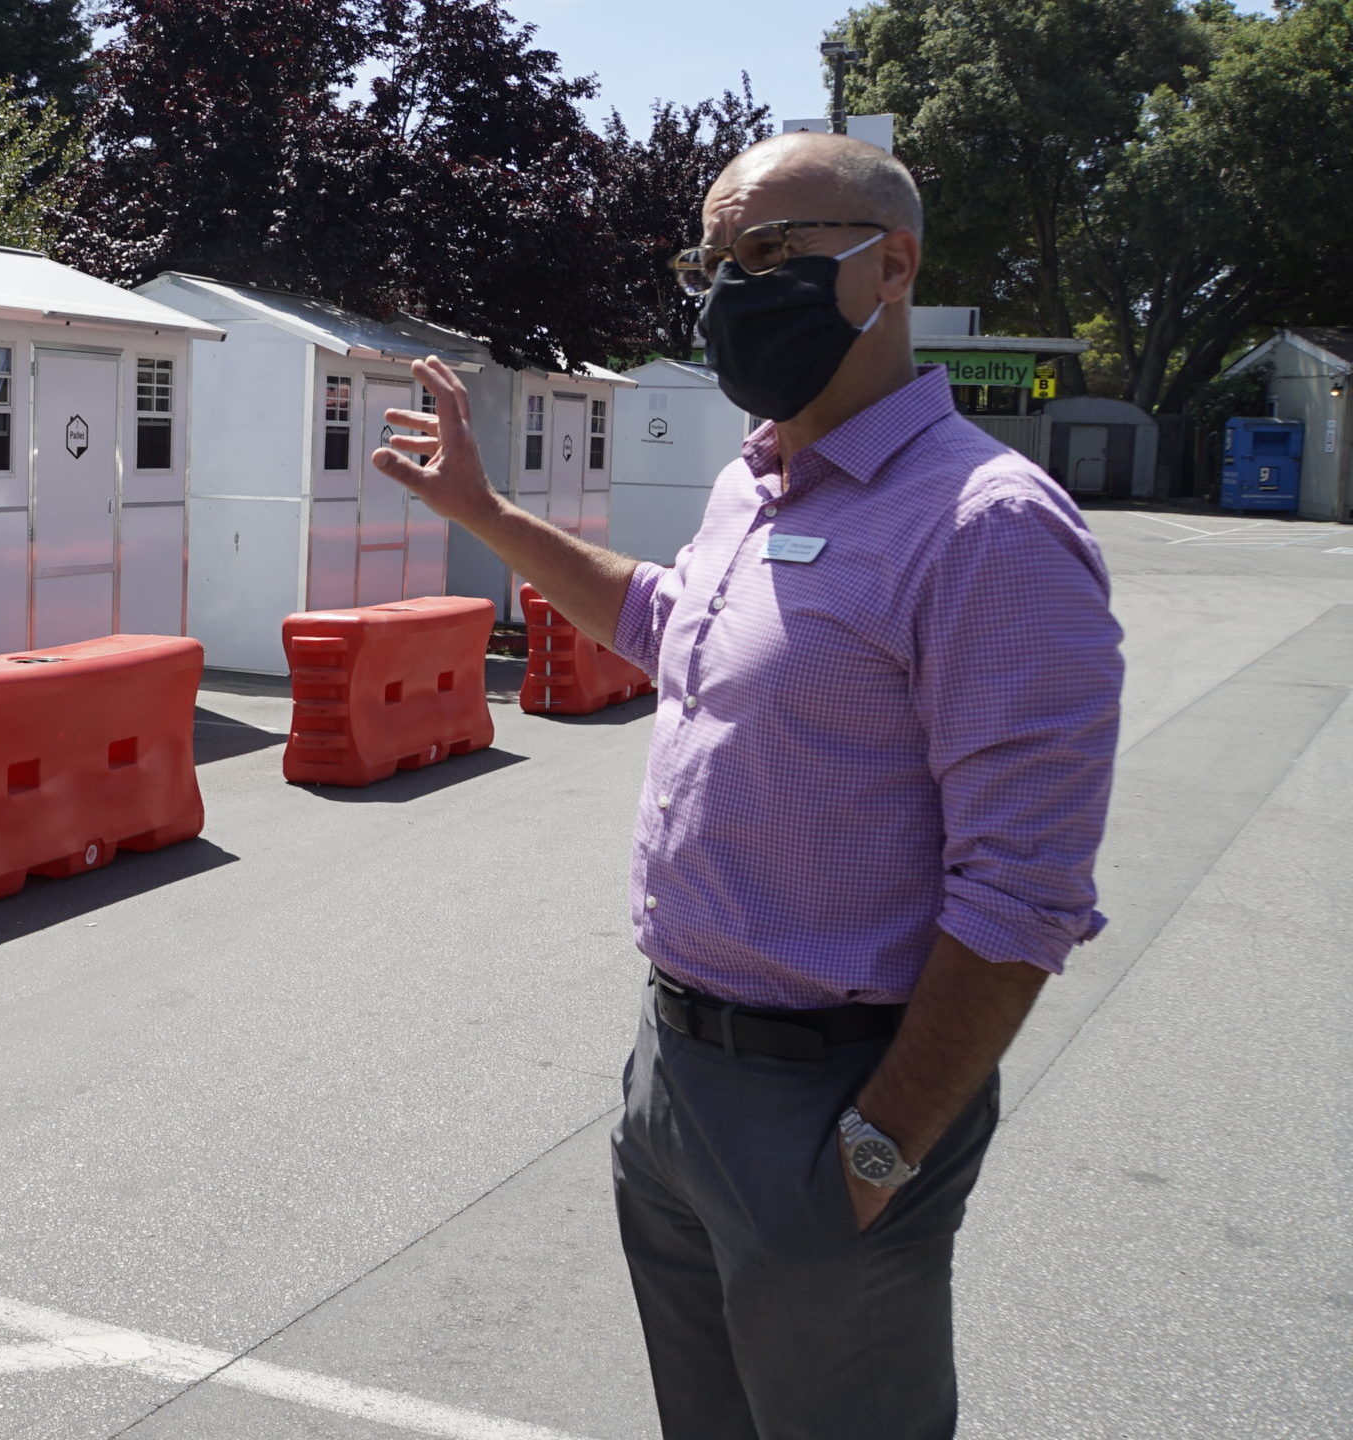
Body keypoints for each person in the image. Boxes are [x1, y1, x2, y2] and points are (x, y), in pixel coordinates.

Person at [371, 130, 1123, 1440]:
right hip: (676, 1075)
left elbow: (1024, 894)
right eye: (715, 260)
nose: (732, 288)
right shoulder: (755, 484)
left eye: (772, 253)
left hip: (835, 1099)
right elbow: (669, 625)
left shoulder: (987, 525)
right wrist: (487, 516)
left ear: (892, 269)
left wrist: (881, 1145)